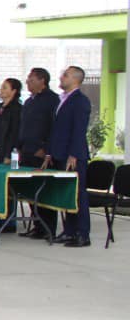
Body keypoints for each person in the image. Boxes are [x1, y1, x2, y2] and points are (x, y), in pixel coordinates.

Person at [45, 65, 93, 247]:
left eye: (65, 75)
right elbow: (56, 129)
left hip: (73, 155)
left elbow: (78, 130)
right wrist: (50, 152)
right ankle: (69, 231)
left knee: (78, 195)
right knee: (66, 195)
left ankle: (82, 233)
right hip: (59, 153)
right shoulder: (62, 100)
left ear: (75, 79)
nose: (61, 77)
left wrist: (74, 154)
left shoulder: (80, 101)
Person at [17, 67, 60, 240]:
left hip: (40, 152)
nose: (27, 82)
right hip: (26, 150)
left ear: (42, 80)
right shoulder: (29, 101)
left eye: (31, 79)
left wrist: (47, 148)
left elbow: (54, 128)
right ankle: (37, 225)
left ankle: (47, 228)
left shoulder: (52, 100)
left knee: (44, 191)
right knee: (31, 190)